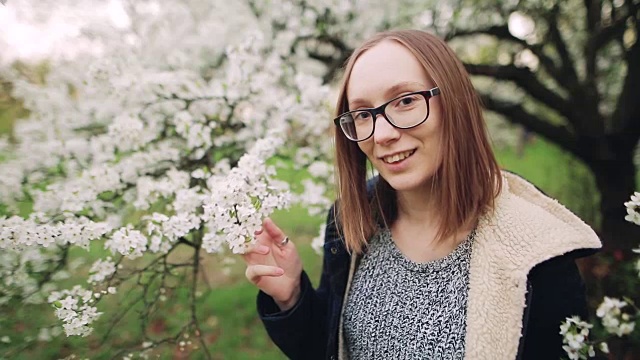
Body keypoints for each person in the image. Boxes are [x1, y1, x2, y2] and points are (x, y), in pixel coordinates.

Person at [242, 29, 601, 360]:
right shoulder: (351, 223)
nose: (381, 134)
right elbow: (332, 346)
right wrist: (291, 297)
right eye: (363, 114)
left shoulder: (537, 250)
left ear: (454, 103)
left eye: (405, 101)